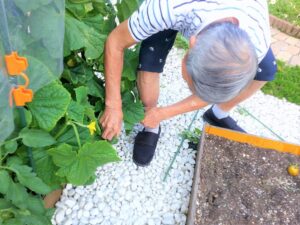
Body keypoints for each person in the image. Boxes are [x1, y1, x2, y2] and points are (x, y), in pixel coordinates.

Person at [99, 0, 277, 166]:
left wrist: (164, 113)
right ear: (192, 43)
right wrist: (113, 104)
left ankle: (218, 113)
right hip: (177, 9)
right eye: (191, 85)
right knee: (150, 61)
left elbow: (216, 88)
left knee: (267, 70)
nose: (197, 93)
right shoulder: (165, 9)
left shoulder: (257, 41)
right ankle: (150, 118)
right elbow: (115, 42)